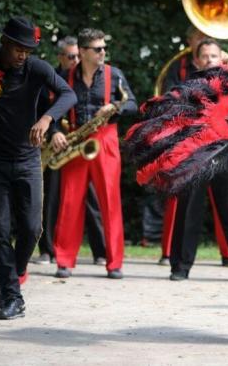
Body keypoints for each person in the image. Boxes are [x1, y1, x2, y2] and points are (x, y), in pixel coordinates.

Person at [0, 16, 76, 319]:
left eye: (28, 50)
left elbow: (68, 93)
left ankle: (15, 271)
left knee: (32, 228)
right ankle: (10, 295)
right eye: (18, 48)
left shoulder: (35, 68)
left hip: (28, 161)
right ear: (4, 43)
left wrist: (47, 119)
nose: (23, 55)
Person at [52, 28, 137, 279]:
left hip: (106, 138)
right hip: (76, 139)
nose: (103, 52)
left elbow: (132, 103)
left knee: (110, 201)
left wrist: (114, 107)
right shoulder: (64, 77)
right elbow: (51, 109)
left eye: (103, 48)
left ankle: (115, 263)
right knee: (69, 201)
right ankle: (64, 261)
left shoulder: (114, 74)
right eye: (97, 49)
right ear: (83, 51)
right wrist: (55, 131)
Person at [168, 39, 228, 282]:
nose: (209, 60)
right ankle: (180, 268)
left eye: (213, 56)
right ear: (197, 61)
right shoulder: (187, 86)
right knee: (188, 212)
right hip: (195, 154)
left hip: (224, 152)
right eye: (204, 56)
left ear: (221, 58)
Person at [153, 26, 228, 266]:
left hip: (221, 145)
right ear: (190, 43)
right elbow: (168, 100)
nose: (202, 40)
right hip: (190, 143)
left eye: (206, 35)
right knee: (185, 205)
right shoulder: (178, 69)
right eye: (198, 37)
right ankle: (174, 258)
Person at [33, 36, 107, 266]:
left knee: (92, 200)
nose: (75, 60)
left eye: (77, 55)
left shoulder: (83, 78)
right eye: (71, 56)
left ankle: (100, 251)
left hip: (81, 143)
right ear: (60, 57)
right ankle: (47, 250)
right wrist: (53, 131)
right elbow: (40, 110)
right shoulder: (51, 79)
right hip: (56, 145)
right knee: (51, 199)